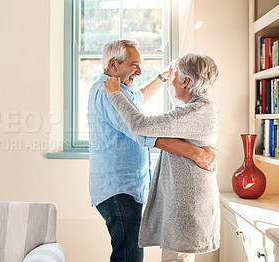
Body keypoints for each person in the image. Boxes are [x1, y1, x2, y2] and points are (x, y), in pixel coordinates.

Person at [88, 40, 217, 262]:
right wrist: (196, 153)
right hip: (118, 189)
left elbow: (137, 99)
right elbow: (141, 131)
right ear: (113, 64)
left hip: (127, 188)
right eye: (134, 64)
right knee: (129, 256)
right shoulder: (108, 93)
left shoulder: (119, 91)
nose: (139, 71)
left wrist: (161, 78)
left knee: (130, 253)